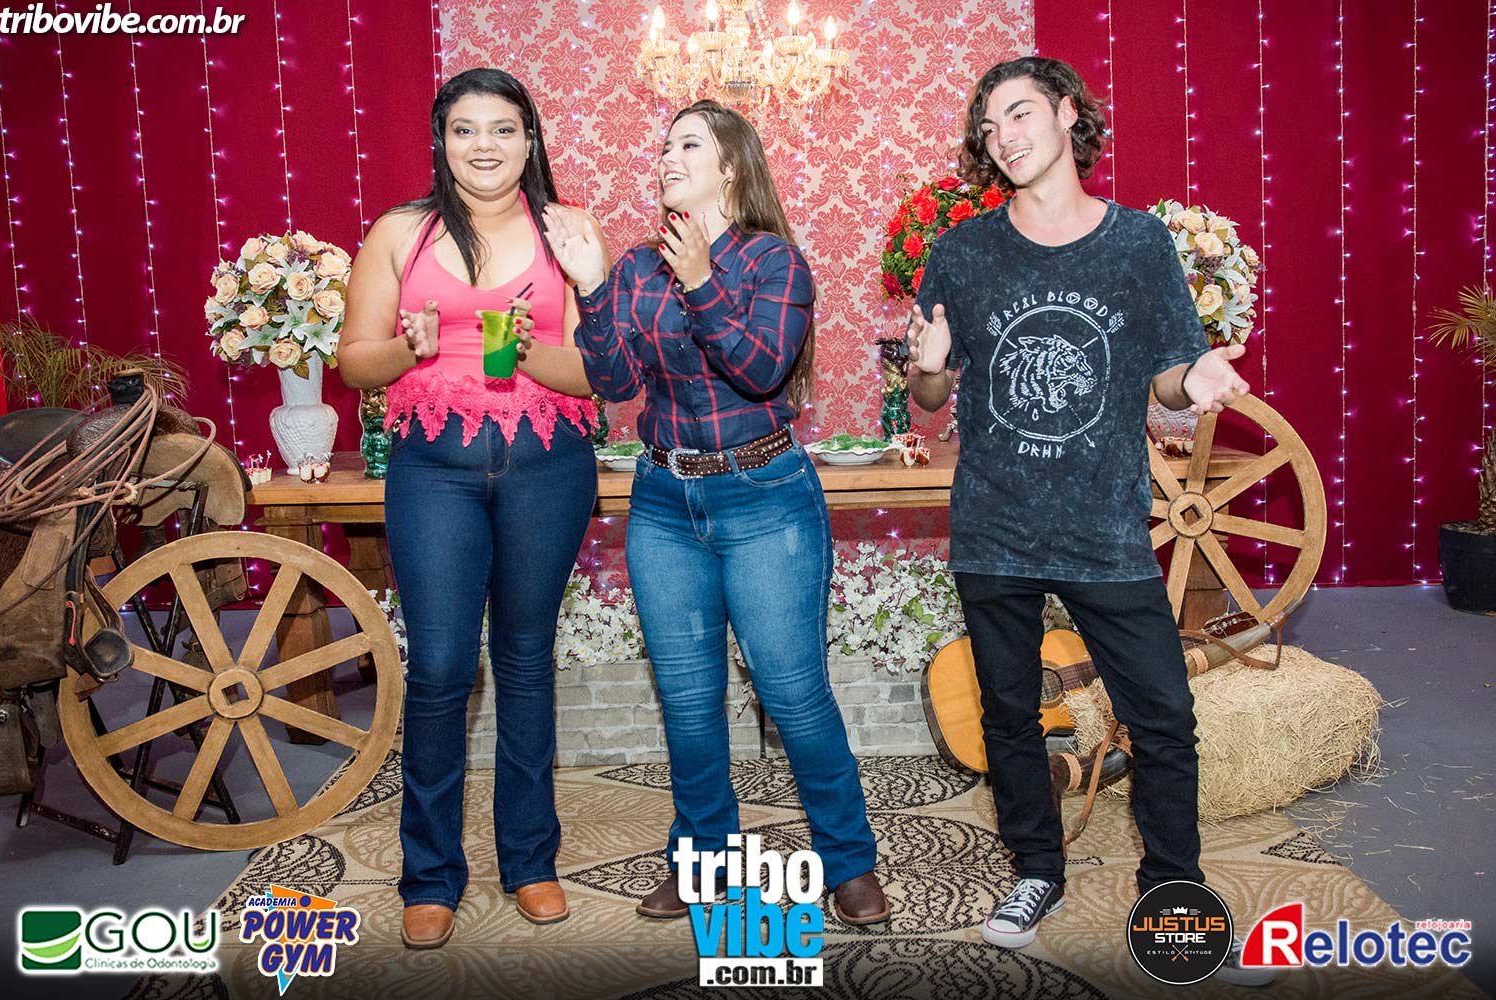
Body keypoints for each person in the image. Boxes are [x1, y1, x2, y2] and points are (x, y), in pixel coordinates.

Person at [905, 57, 1272, 987]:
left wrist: (1198, 377)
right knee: (1008, 716)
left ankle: (1174, 889)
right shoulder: (961, 252)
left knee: (1164, 718)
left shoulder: (1138, 243)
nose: (1006, 138)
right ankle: (1036, 870)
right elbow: (928, 401)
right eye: (990, 128)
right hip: (995, 525)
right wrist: (929, 368)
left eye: (1021, 114)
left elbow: (1166, 379)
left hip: (1105, 526)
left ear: (1069, 114)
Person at [542, 99, 889, 925]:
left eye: (687, 144)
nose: (666, 157)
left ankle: (848, 862)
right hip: (665, 503)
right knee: (689, 702)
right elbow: (615, 384)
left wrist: (700, 280)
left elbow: (761, 369)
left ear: (730, 166)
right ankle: (704, 865)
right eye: (664, 146)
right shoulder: (636, 268)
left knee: (793, 693)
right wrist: (591, 286)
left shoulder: (774, 262)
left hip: (765, 496)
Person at [338, 67, 604, 949]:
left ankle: (530, 861)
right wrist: (407, 348)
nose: (483, 145)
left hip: (548, 467)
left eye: (501, 129)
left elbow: (597, 375)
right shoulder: (400, 232)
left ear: (530, 141)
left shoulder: (569, 231)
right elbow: (354, 361)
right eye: (464, 129)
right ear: (441, 141)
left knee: (525, 661)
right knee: (442, 668)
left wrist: (528, 355)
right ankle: (430, 875)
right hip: (433, 471)